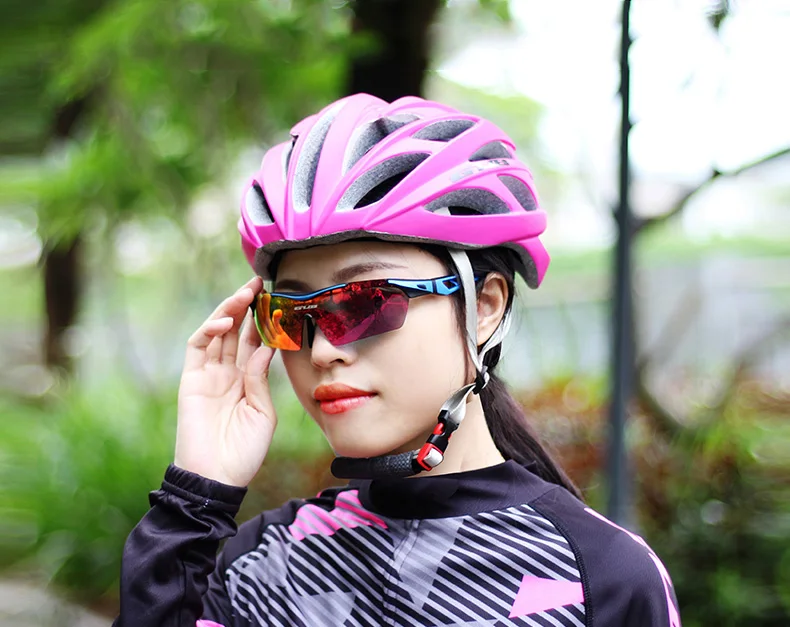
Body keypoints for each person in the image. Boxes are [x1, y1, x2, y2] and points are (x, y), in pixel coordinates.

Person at [113, 94, 681, 627]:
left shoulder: (602, 577)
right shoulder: (258, 566)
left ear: (484, 307)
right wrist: (195, 498)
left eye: (366, 302)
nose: (323, 350)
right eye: (291, 313)